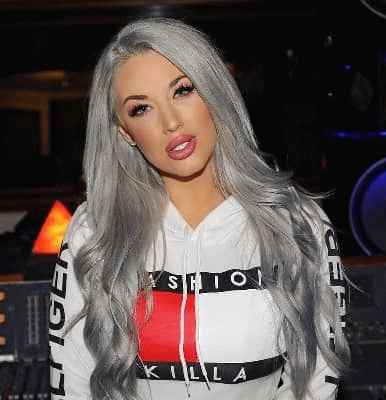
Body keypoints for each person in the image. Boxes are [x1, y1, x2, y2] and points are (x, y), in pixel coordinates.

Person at [49, 17, 350, 400]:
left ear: (213, 91)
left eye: (183, 90)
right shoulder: (94, 230)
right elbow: (73, 383)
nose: (171, 122)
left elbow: (317, 381)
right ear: (125, 132)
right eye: (141, 109)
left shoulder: (298, 222)